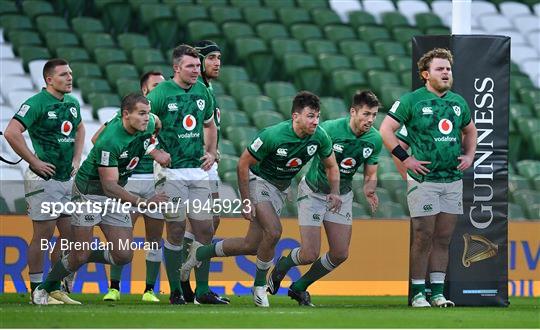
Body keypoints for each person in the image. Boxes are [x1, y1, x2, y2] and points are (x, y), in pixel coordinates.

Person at [181, 91, 342, 307]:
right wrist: (246, 200)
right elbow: (243, 164)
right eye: (310, 116)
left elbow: (332, 166)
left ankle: (201, 252)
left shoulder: (320, 136)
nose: (315, 121)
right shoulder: (273, 135)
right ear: (296, 116)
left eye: (317, 116)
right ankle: (259, 287)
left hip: (280, 190)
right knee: (274, 231)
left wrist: (335, 191)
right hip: (259, 181)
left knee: (251, 245)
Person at [31, 93, 171, 305]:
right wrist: (143, 202)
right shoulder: (110, 140)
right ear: (126, 115)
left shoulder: (149, 122)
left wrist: (153, 147)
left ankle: (76, 255)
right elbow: (109, 185)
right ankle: (44, 288)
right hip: (89, 192)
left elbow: (157, 124)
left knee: (124, 255)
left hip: (113, 194)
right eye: (141, 113)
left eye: (148, 113)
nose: (147, 118)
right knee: (80, 255)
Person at [379, 48, 477, 308]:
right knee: (423, 235)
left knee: (443, 238)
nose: (446, 73)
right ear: (425, 74)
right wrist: (405, 158)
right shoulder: (412, 100)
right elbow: (386, 130)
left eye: (448, 69)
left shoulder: (458, 102)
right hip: (424, 180)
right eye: (440, 69)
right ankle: (418, 293)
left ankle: (437, 293)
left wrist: (469, 156)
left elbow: (471, 131)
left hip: (452, 179)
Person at [267, 90, 383, 306]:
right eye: (366, 114)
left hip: (342, 196)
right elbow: (301, 152)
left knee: (340, 253)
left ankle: (299, 287)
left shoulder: (374, 139)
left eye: (374, 115)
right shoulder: (328, 129)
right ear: (353, 111)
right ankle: (283, 265)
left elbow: (371, 171)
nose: (370, 120)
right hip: (313, 192)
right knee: (309, 253)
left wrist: (369, 189)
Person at [4, 58, 85, 304]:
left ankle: (53, 286)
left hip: (65, 179)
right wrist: (34, 161)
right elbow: (11, 132)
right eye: (63, 74)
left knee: (71, 234)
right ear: (49, 79)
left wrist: (76, 158)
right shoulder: (36, 103)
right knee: (43, 235)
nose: (69, 77)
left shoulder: (72, 103)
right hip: (43, 179)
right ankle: (37, 290)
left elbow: (80, 128)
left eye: (70, 73)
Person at [146, 44, 222, 305]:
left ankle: (202, 290)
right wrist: (155, 152)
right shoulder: (160, 94)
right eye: (190, 66)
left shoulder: (203, 90)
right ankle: (176, 289)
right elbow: (135, 128)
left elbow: (210, 125)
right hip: (170, 172)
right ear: (176, 68)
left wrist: (211, 152)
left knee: (205, 229)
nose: (195, 71)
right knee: (176, 230)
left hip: (197, 170)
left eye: (197, 66)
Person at [97, 71, 166, 303]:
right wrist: (142, 152)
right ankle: (114, 287)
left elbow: (158, 134)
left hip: (154, 181)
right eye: (156, 86)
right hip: (130, 181)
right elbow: (98, 140)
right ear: (145, 91)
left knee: (154, 238)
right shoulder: (124, 118)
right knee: (123, 238)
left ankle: (149, 290)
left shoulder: (156, 117)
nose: (161, 89)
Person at [179, 40, 228, 303]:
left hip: (208, 164)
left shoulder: (207, 89)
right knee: (204, 225)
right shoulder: (195, 88)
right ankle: (196, 287)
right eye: (211, 58)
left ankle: (188, 280)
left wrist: (213, 149)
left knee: (211, 222)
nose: (216, 63)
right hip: (195, 165)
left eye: (218, 58)